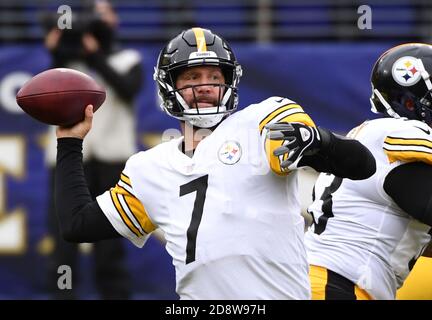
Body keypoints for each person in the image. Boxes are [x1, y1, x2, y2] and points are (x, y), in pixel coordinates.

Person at [53, 27, 375, 299]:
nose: (205, 85)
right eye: (192, 76)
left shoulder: (263, 123)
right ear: (170, 87)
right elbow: (77, 225)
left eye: (214, 75)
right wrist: (69, 142)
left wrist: (321, 142)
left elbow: (362, 166)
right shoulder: (148, 168)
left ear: (229, 82)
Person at [305, 43, 432, 300]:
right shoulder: (398, 134)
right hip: (338, 283)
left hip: (328, 280)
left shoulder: (371, 138)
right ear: (410, 102)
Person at [44, 0, 142, 299]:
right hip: (70, 160)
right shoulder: (67, 64)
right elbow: (50, 87)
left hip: (112, 161)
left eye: (104, 13)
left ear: (115, 20)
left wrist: (95, 54)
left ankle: (114, 295)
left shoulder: (128, 58)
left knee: (110, 243)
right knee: (64, 240)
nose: (96, 20)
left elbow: (127, 88)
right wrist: (57, 47)